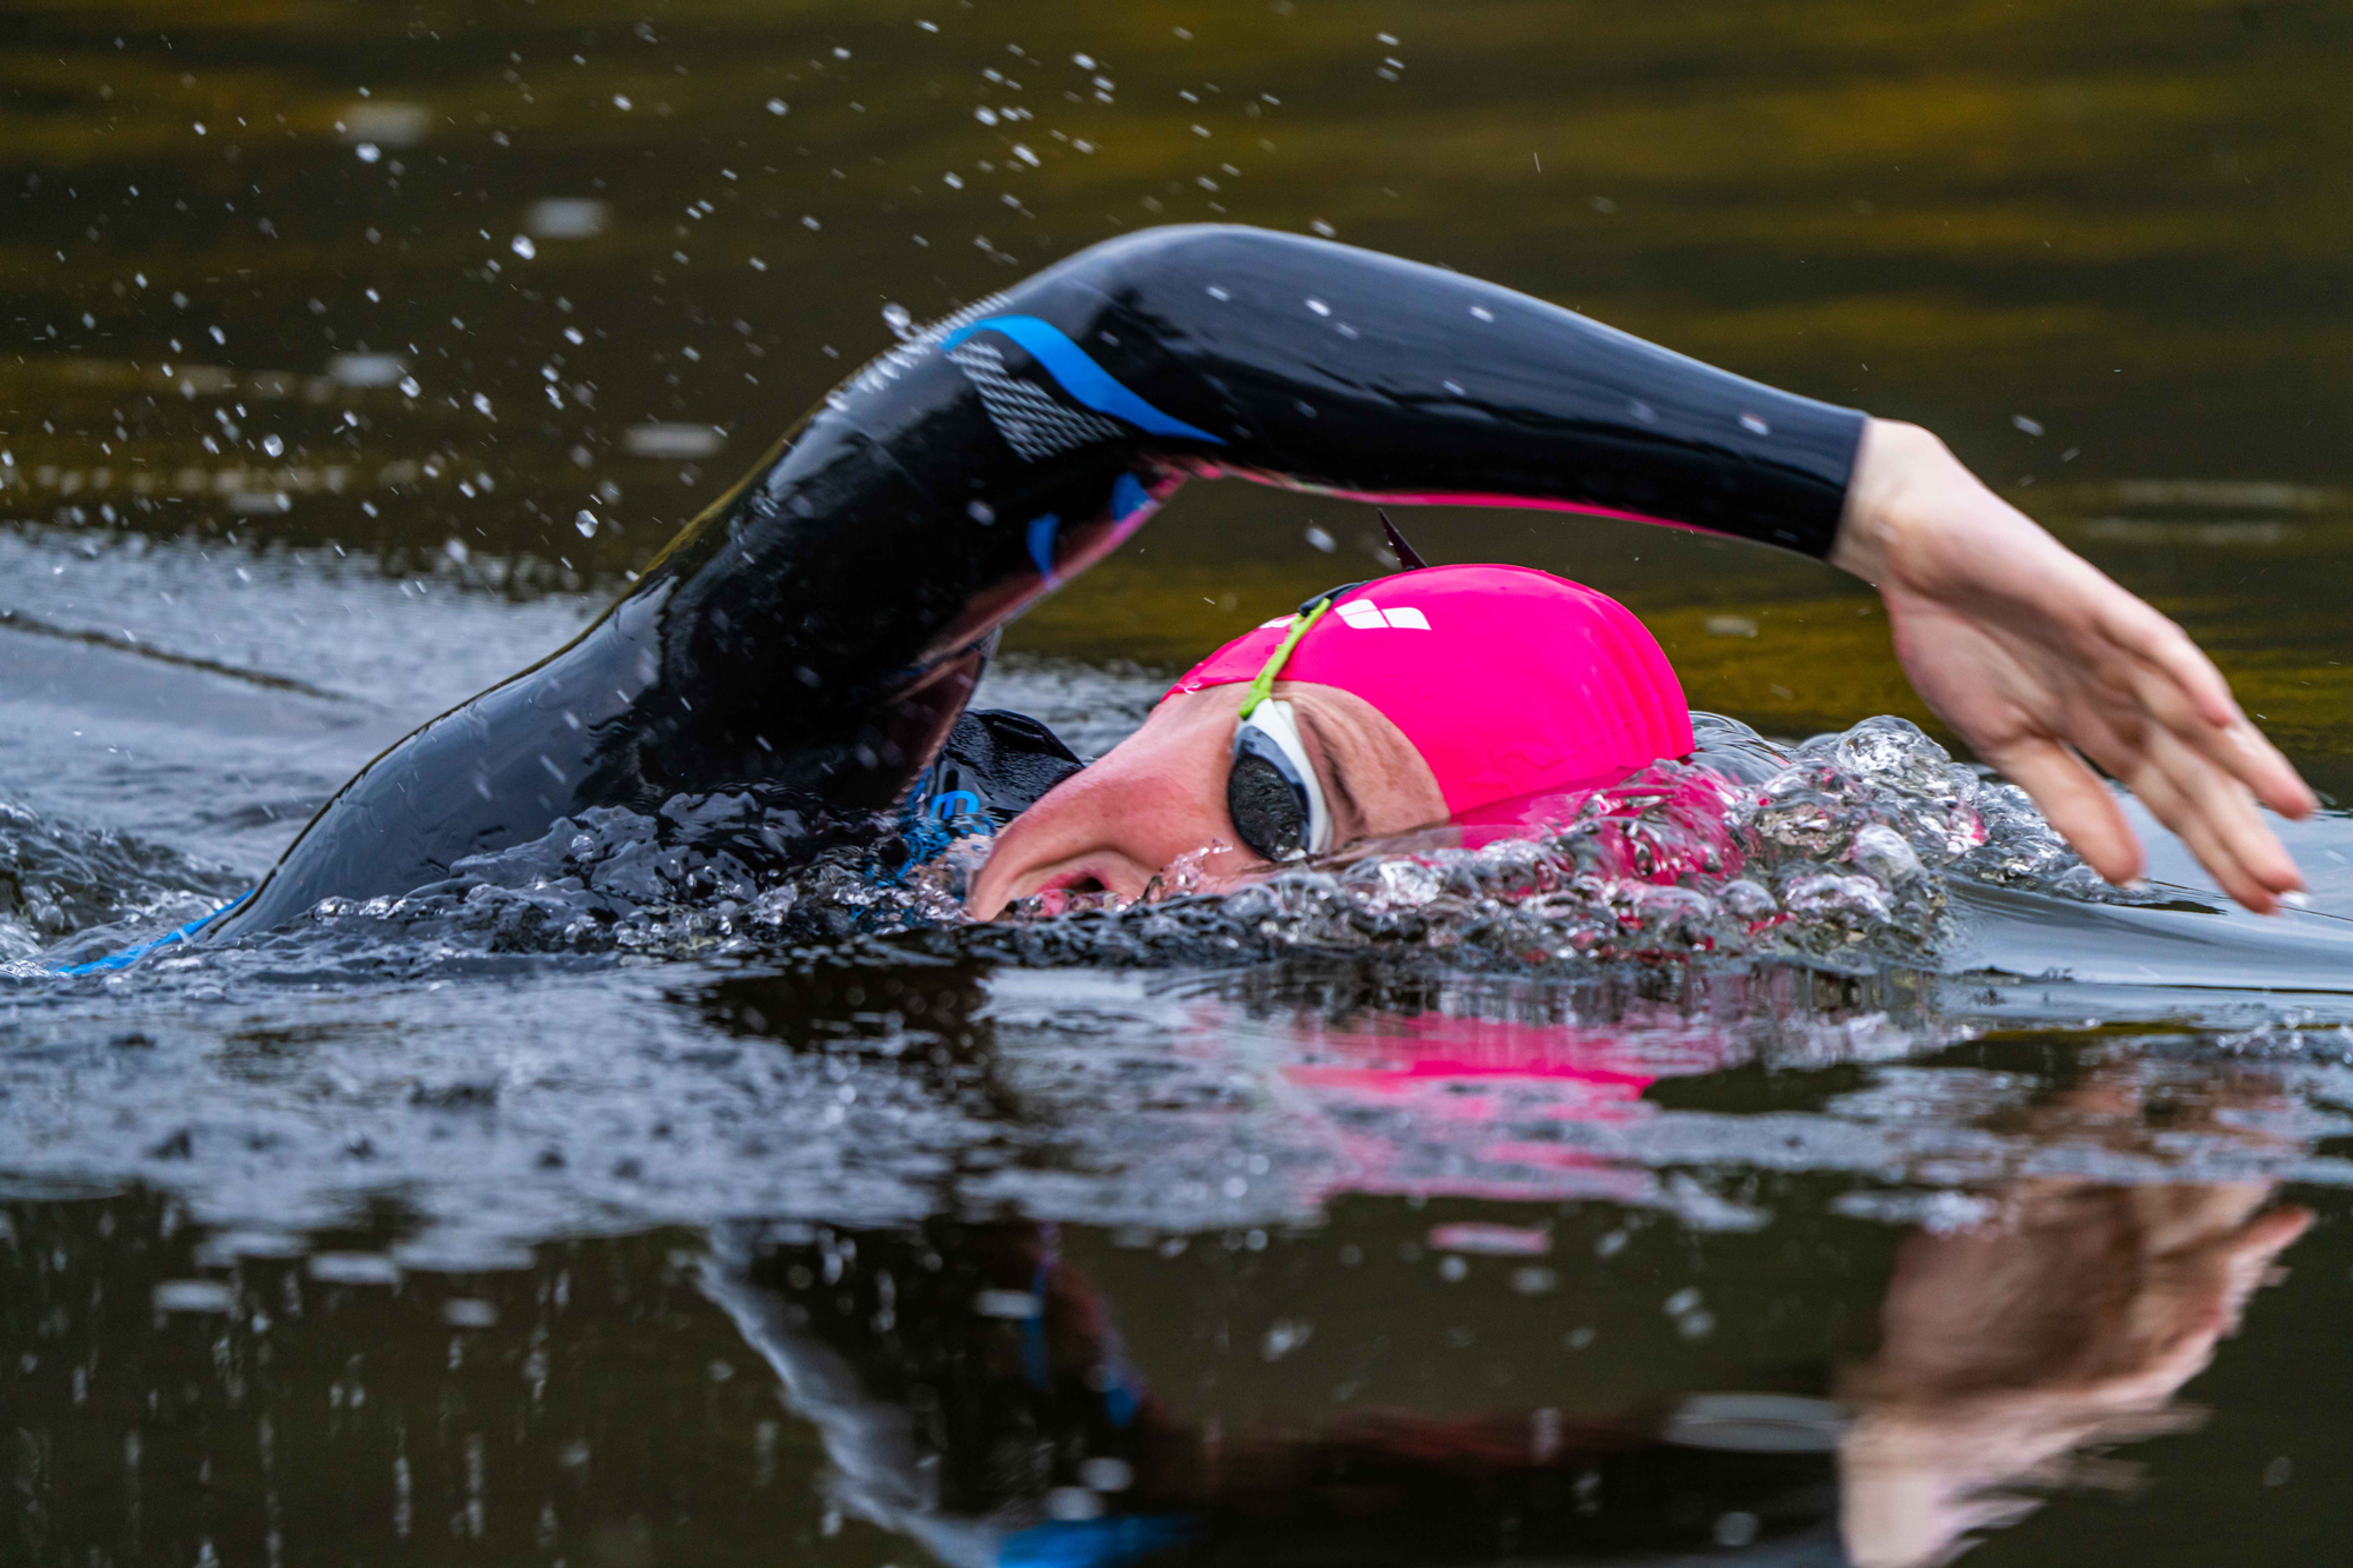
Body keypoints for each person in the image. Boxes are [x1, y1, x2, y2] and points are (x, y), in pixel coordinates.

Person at [193, 224, 2312, 947]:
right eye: (1279, 801)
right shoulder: (752, 758)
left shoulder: (943, 1117)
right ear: (1214, 683)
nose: (1209, 896)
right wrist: (1868, 491)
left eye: (1330, 930)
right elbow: (1131, 339)